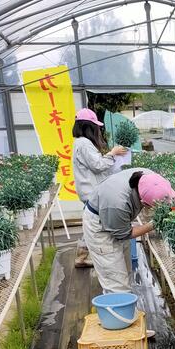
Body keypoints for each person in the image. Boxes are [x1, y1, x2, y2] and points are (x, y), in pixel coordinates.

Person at [83, 168, 175, 295]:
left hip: (115, 216)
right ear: (144, 203)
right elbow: (124, 234)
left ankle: (125, 299)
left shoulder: (151, 179)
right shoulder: (118, 203)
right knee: (116, 283)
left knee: (125, 272)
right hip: (100, 226)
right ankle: (118, 304)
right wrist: (154, 224)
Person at [72, 107, 128, 268]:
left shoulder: (80, 143)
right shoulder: (84, 143)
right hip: (91, 192)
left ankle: (82, 255)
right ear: (88, 127)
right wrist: (112, 153)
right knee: (96, 223)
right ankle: (90, 255)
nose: (98, 130)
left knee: (91, 221)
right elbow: (97, 165)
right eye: (95, 127)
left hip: (88, 191)